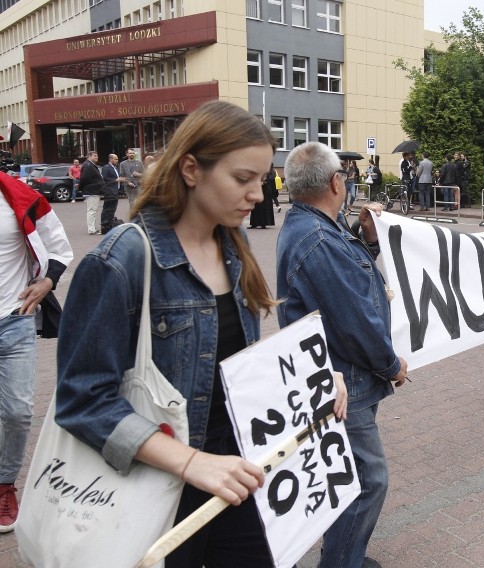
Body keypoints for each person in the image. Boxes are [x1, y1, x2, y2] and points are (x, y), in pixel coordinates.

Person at [54, 101, 347, 567]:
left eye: (262, 178)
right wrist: (192, 463)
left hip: (237, 467)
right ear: (191, 168)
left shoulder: (234, 243)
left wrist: (314, 378)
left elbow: (226, 359)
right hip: (158, 484)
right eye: (242, 178)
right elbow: (82, 399)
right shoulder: (121, 259)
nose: (257, 193)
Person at [276, 141, 408, 568]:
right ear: (336, 182)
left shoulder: (316, 227)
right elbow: (355, 320)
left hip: (338, 375)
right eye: (345, 177)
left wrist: (367, 240)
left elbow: (348, 280)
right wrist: (391, 365)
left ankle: (343, 554)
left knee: (350, 474)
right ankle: (341, 562)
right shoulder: (318, 238)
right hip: (343, 380)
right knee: (369, 480)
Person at [0, 172, 73, 533]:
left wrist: (48, 280)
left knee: (16, 411)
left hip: (15, 320)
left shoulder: (19, 196)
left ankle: (4, 484)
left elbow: (59, 245)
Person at [79, 150, 104, 235]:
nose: (96, 157)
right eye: (94, 156)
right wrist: (80, 188)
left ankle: (92, 228)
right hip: (91, 191)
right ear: (89, 156)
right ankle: (91, 229)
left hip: (93, 190)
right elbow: (84, 178)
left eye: (97, 156)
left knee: (93, 210)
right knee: (92, 210)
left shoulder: (90, 165)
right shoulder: (88, 166)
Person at [100, 153, 125, 234]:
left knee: (112, 209)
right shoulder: (106, 167)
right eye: (116, 159)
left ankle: (110, 223)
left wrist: (121, 180)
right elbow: (104, 179)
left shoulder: (115, 168)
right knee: (107, 208)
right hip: (109, 191)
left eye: (117, 159)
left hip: (116, 191)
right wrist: (115, 180)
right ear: (111, 159)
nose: (117, 161)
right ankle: (104, 224)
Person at [249, 164, 277, 229]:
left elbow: (271, 179)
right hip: (258, 189)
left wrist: (264, 182)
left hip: (266, 191)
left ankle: (263, 223)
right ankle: (254, 223)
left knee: (264, 207)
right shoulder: (260, 170)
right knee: (255, 207)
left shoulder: (271, 171)